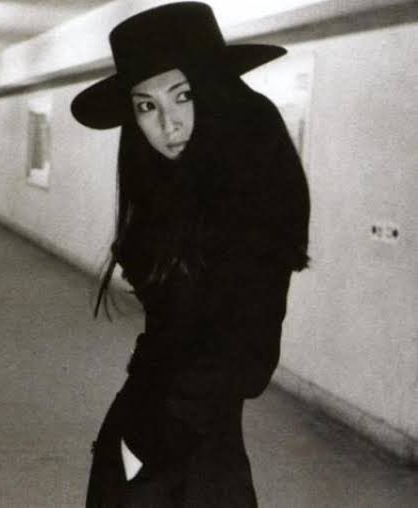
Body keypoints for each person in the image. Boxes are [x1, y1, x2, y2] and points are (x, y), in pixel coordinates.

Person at [71, 2, 310, 506]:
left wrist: (147, 446)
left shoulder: (250, 202)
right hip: (156, 431)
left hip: (183, 453)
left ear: (216, 93)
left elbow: (246, 355)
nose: (168, 123)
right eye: (146, 106)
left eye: (183, 95)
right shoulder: (175, 194)